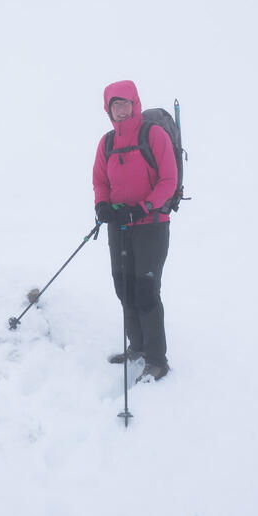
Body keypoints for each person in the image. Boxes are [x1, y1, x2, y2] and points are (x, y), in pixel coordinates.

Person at [93, 80, 178, 382]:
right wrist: (102, 205)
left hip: (151, 225)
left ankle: (157, 360)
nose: (121, 109)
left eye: (125, 103)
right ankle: (137, 347)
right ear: (108, 109)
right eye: (115, 105)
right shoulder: (107, 143)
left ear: (135, 103)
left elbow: (169, 179)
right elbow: (100, 181)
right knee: (124, 287)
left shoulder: (153, 135)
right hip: (119, 226)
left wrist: (144, 207)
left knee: (145, 291)